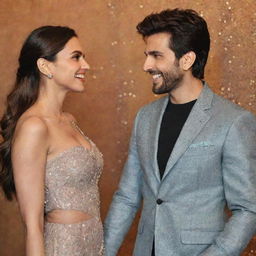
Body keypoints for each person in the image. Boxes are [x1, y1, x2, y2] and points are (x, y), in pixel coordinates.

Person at [104, 8, 256, 256]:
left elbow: (248, 209)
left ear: (186, 60)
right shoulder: (145, 117)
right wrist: (104, 252)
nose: (146, 65)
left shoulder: (234, 121)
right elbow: (127, 197)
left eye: (156, 55)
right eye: (146, 55)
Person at [0, 26, 104, 256]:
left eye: (83, 57)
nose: (85, 65)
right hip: (63, 247)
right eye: (76, 57)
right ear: (45, 65)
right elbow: (33, 225)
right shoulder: (34, 126)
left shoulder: (69, 120)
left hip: (94, 245)